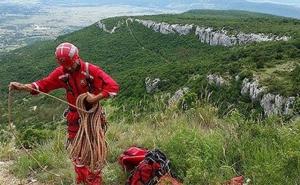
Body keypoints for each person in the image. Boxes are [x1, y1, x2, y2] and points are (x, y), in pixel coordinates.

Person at [9, 42, 120, 185]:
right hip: (74, 117)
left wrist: (95, 98)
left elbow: (113, 87)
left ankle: (94, 181)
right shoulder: (62, 73)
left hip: (92, 117)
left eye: (70, 65)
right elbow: (44, 85)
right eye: (65, 66)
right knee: (77, 152)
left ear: (77, 58)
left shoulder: (91, 71)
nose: (68, 68)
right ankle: (81, 180)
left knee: (93, 151)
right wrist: (23, 87)